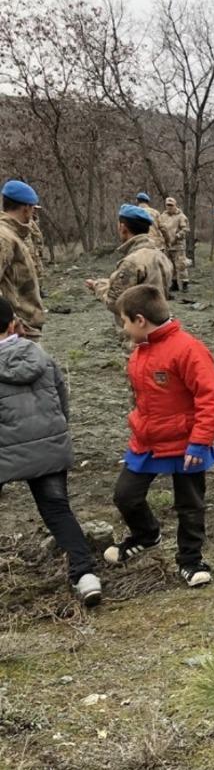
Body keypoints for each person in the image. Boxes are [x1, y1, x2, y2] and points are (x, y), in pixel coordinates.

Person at [102, 284, 214, 588]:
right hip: (147, 440)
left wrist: (199, 440)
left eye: (125, 321)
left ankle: (190, 560)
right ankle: (146, 534)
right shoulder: (142, 349)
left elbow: (210, 397)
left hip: (187, 443)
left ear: (140, 319)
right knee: (126, 495)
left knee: (190, 502)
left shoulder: (188, 349)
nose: (124, 328)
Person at [0, 296, 101, 605]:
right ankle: (85, 576)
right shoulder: (42, 356)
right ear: (14, 325)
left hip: (4, 452)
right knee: (57, 510)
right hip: (50, 447)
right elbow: (62, 400)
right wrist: (55, 435)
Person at [85, 205, 173, 320]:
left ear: (123, 228)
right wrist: (106, 283)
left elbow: (115, 302)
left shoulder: (132, 262)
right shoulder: (161, 256)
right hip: (157, 324)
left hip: (137, 331)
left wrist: (97, 287)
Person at [0, 180, 46, 340]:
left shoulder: (13, 235)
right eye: (32, 208)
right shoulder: (4, 238)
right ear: (26, 208)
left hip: (23, 328)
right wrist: (11, 320)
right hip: (17, 331)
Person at [159, 197, 190, 292]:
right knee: (170, 266)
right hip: (167, 245)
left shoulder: (181, 216)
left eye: (171, 205)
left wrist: (177, 236)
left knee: (181, 265)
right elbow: (160, 227)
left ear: (175, 205)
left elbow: (186, 229)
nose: (169, 207)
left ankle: (185, 283)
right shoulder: (163, 216)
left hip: (178, 245)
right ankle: (174, 283)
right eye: (167, 205)